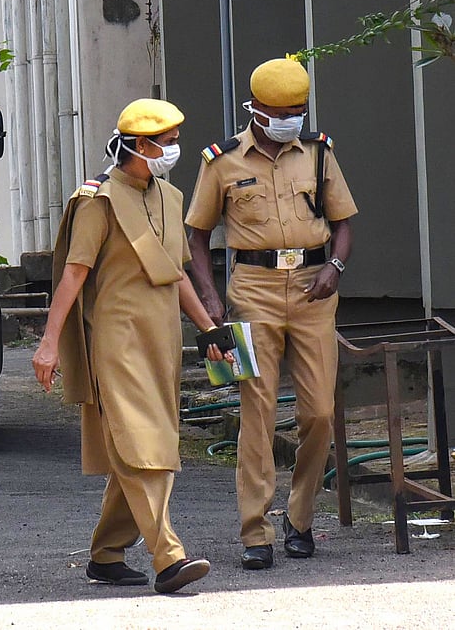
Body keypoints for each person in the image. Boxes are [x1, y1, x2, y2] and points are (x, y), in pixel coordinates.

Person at [32, 98, 233, 595]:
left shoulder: (169, 195)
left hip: (161, 340)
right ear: (138, 146)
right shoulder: (97, 201)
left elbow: (177, 272)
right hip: (115, 342)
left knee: (147, 442)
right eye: (165, 143)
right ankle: (169, 557)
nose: (174, 150)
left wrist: (209, 329)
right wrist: (48, 343)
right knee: (144, 446)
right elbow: (73, 276)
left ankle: (105, 555)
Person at [184, 57, 357, 570]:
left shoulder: (319, 154)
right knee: (256, 413)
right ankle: (254, 531)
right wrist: (212, 301)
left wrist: (338, 267)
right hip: (252, 289)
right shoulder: (222, 161)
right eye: (280, 110)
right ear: (256, 109)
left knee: (320, 411)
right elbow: (197, 235)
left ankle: (299, 516)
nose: (290, 119)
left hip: (313, 289)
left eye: (298, 110)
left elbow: (344, 221)